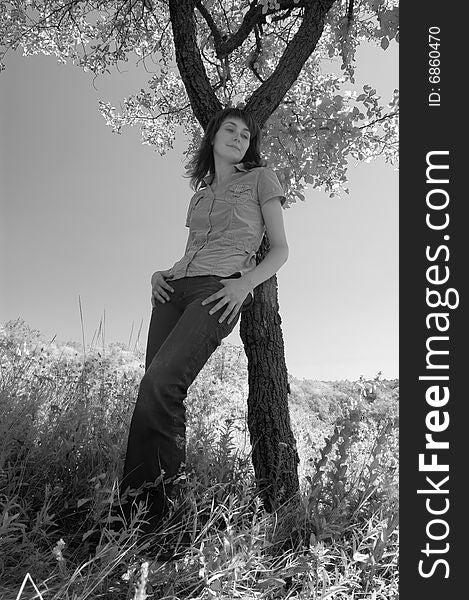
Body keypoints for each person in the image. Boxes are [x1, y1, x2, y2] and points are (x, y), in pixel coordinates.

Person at [119, 107, 289, 540]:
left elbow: (281, 250)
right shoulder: (199, 193)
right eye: (229, 130)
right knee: (152, 387)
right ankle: (131, 515)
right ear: (212, 138)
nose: (237, 138)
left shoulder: (260, 180)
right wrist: (161, 274)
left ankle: (156, 521)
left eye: (245, 134)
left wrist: (244, 285)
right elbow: (192, 248)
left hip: (218, 290)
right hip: (174, 290)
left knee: (163, 385)